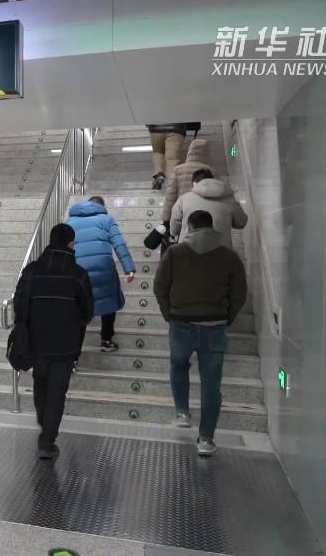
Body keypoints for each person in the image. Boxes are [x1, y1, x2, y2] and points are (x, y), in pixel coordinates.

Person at [153, 210, 248, 456]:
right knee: (211, 383)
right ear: (211, 227)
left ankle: (182, 413)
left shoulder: (174, 253)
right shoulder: (229, 257)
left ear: (190, 227)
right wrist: (227, 317)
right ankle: (206, 439)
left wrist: (169, 314)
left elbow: (160, 287)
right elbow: (240, 293)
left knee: (178, 365)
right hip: (215, 325)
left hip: (181, 322)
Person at [14, 223, 94, 460]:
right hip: (65, 345)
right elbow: (87, 310)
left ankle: (44, 425)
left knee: (41, 385)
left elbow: (19, 303)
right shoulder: (78, 274)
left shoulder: (32, 270)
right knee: (57, 393)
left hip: (36, 342)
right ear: (70, 243)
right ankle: (47, 442)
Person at [66, 197, 136, 353]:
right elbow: (119, 244)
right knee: (109, 302)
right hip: (104, 269)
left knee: (79, 309)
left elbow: (63, 247)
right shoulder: (107, 219)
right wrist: (129, 269)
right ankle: (106, 340)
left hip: (78, 271)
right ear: (102, 207)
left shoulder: (69, 222)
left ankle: (74, 356)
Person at [169, 168, 248, 250]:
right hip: (220, 251)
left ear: (195, 183)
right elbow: (241, 222)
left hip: (188, 251)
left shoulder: (183, 199)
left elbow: (174, 230)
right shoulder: (229, 199)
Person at [161, 138, 212, 225]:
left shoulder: (178, 169)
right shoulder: (210, 171)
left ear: (190, 151)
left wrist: (166, 219)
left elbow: (171, 196)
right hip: (203, 214)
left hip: (181, 210)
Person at [146, 123, 198, 190]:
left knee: (158, 152)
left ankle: (159, 174)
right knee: (172, 159)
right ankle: (171, 183)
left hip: (156, 129)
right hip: (176, 129)